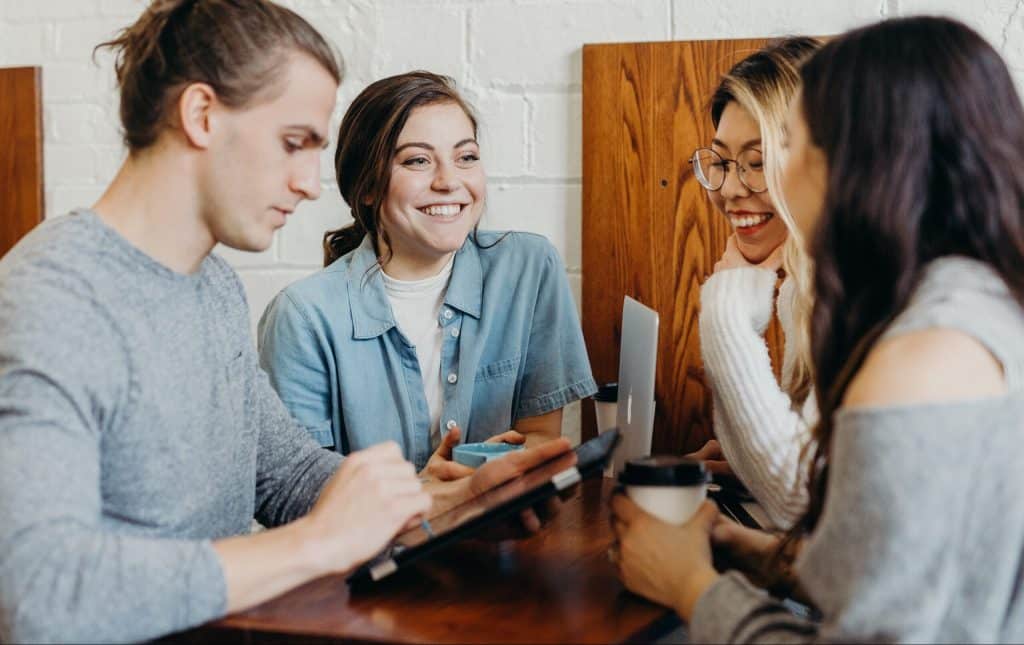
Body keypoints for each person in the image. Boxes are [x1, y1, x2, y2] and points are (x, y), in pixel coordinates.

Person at [0, 2, 569, 642]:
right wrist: (318, 544)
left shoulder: (210, 285)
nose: (307, 184)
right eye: (293, 143)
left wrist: (440, 505)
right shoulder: (53, 298)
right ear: (202, 115)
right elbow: (39, 593)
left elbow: (288, 476)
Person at [611, 16, 1024, 641]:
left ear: (863, 163)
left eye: (792, 145)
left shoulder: (922, 356)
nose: (752, 183)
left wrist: (690, 586)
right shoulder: (970, 303)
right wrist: (753, 553)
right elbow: (901, 577)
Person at [258, 71, 596, 476]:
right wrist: (429, 494)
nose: (449, 181)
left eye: (466, 157)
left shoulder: (528, 268)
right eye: (418, 160)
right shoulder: (302, 317)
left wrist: (491, 472)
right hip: (376, 540)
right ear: (367, 186)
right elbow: (299, 490)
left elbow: (541, 437)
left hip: (502, 531)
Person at [689, 37, 821, 528]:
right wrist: (746, 462)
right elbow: (808, 479)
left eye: (758, 161)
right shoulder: (802, 287)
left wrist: (726, 310)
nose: (729, 189)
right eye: (721, 162)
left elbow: (800, 503)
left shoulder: (858, 291)